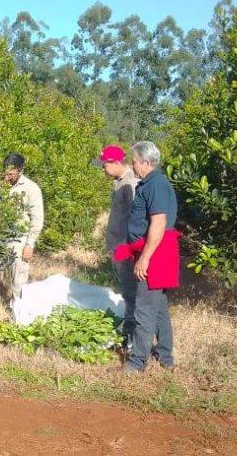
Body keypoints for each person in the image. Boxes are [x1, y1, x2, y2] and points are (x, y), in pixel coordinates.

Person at [119, 141, 178, 373]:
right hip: (156, 251)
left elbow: (159, 222)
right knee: (159, 307)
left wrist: (144, 258)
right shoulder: (151, 184)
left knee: (143, 309)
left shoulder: (157, 185)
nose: (132, 165)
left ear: (145, 162)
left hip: (154, 253)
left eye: (134, 161)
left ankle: (137, 362)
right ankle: (165, 357)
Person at [0, 153, 45, 305]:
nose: (8, 176)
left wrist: (30, 244)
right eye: (6, 172)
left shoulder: (31, 188)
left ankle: (18, 311)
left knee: (18, 278)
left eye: (11, 174)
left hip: (18, 239)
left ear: (20, 170)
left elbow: (37, 218)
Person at [92, 145, 139, 344]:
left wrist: (129, 249)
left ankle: (131, 338)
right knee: (126, 290)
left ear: (115, 163)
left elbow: (137, 219)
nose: (102, 169)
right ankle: (129, 333)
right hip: (119, 246)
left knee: (131, 293)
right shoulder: (119, 182)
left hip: (126, 248)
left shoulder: (130, 183)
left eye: (104, 165)